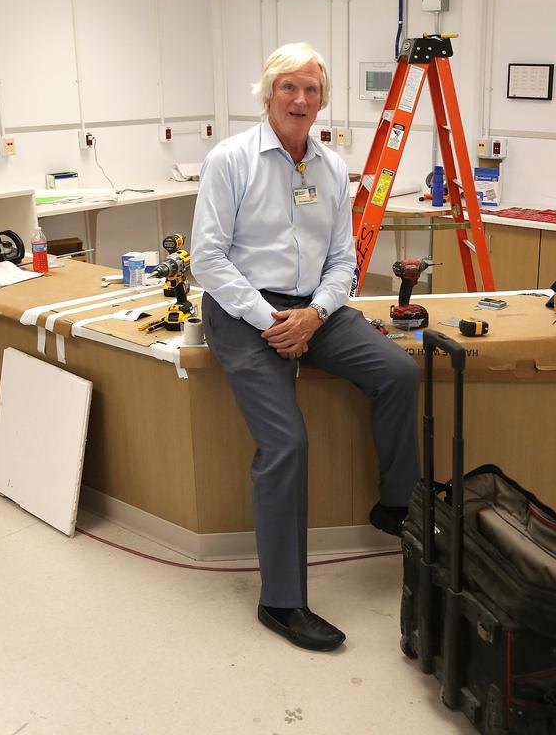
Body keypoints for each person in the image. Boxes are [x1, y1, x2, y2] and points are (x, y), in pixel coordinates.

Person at [190, 42, 421, 653]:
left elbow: (345, 260)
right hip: (242, 311)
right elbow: (207, 259)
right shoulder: (230, 160)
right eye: (289, 87)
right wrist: (272, 321)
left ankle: (396, 507)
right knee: (286, 442)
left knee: (399, 373)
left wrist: (314, 315)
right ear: (269, 93)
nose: (300, 99)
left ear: (322, 100)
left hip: (314, 307)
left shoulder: (331, 168)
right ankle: (281, 600)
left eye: (311, 89)